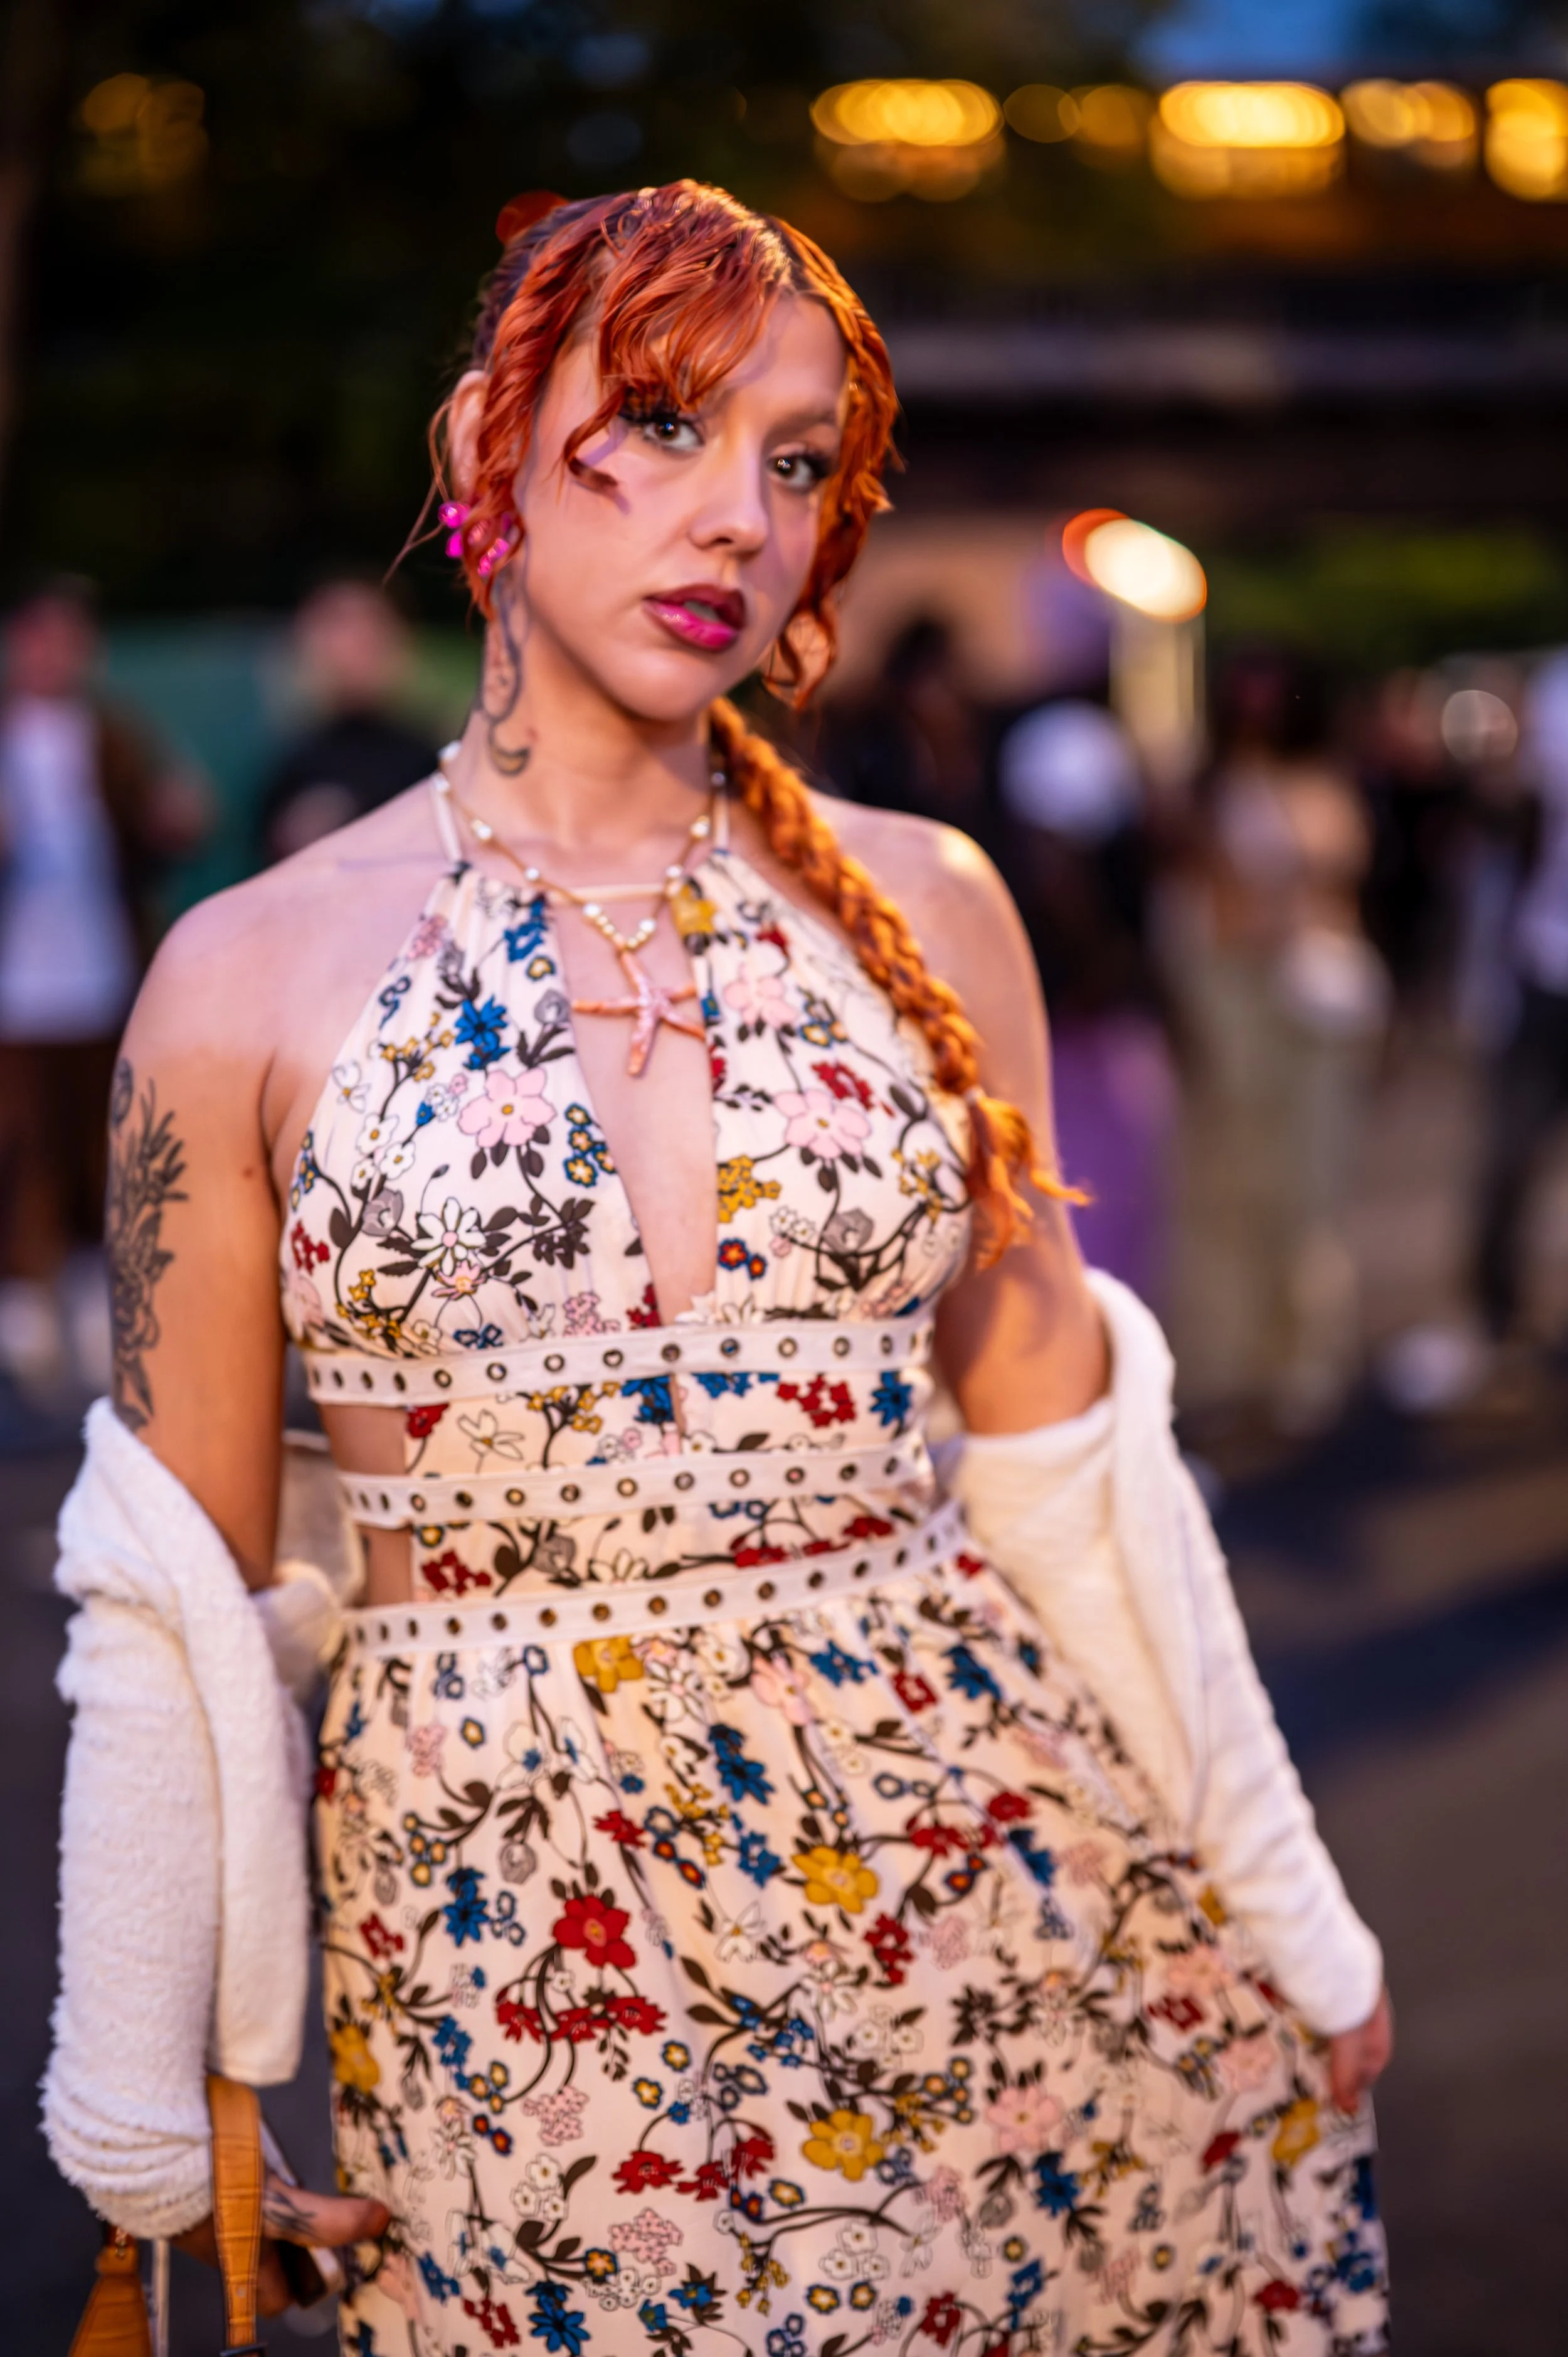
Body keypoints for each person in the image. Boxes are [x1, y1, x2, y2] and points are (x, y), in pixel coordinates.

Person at [45, 186, 1390, 2353]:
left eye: (791, 463)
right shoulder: (244, 972)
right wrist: (134, 2096)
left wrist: (1291, 1909)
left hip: (986, 1880)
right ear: (487, 430)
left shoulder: (931, 904)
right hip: (515, 1941)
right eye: (659, 426)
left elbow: (1077, 1468)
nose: (734, 521)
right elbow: (173, 1579)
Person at [0, 578, 200, 1397]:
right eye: (39, 637)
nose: (53, 653)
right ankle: (22, 1303)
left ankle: (92, 1300)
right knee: (20, 1147)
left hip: (104, 973)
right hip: (17, 987)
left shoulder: (115, 735)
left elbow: (160, 831)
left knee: (99, 1141)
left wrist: (175, 820)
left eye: (67, 637)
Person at [258, 577, 440, 863]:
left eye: (372, 626)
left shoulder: (428, 757)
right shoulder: (293, 763)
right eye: (340, 627)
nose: (360, 641)